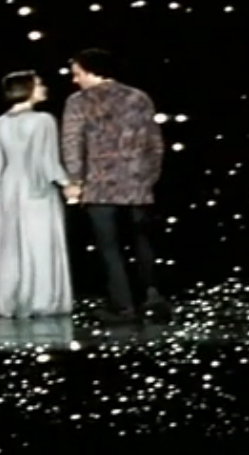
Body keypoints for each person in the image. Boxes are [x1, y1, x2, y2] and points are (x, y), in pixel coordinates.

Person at [61, 48, 171, 323]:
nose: (75, 79)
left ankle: (123, 306)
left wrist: (75, 180)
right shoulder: (138, 97)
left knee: (109, 246)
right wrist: (150, 176)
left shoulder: (79, 102)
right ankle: (152, 297)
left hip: (99, 184)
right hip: (136, 181)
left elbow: (72, 144)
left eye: (77, 73)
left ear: (92, 71)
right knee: (142, 240)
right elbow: (155, 142)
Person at [0, 71, 74, 318]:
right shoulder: (44, 120)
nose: (44, 88)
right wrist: (67, 183)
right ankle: (40, 301)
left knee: (10, 246)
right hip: (35, 186)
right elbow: (48, 161)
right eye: (39, 84)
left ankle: (10, 299)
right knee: (39, 242)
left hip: (9, 187)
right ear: (26, 88)